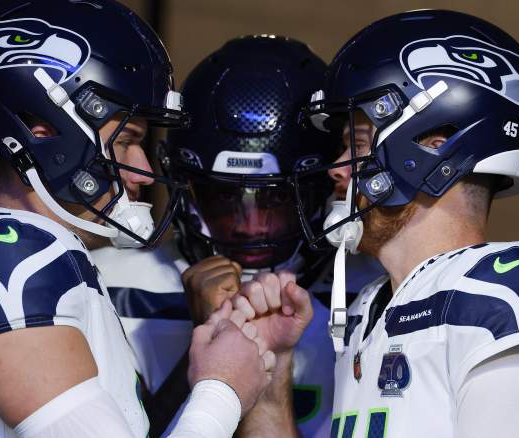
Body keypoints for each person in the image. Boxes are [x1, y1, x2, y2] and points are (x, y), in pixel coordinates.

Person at [0, 1, 275, 437]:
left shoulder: (53, 259)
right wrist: (222, 388)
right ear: (42, 128)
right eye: (126, 140)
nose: (143, 170)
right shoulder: (3, 261)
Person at [237, 9, 519, 438]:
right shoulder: (370, 307)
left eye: (357, 144)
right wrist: (270, 376)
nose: (337, 168)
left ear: (431, 151)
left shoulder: (505, 294)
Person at [91, 35, 384, 437]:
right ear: (185, 189)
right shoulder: (111, 284)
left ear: (326, 185)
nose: (251, 226)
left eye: (277, 199)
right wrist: (208, 339)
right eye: (225, 198)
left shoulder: (374, 295)